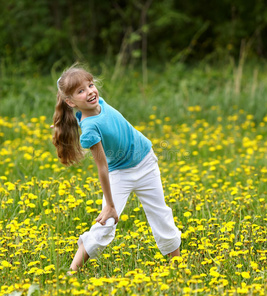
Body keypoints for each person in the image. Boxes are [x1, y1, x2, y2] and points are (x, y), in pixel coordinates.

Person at [52, 66, 181, 272]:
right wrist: (110, 205)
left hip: (146, 162)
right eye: (81, 91)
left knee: (161, 214)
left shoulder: (100, 103)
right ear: (70, 102)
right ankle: (72, 272)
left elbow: (97, 112)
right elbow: (103, 168)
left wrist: (73, 110)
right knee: (106, 223)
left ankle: (177, 265)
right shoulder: (90, 128)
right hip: (120, 173)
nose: (90, 92)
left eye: (90, 85)